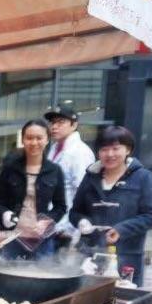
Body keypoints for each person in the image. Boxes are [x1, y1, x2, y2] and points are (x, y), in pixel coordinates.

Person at [70, 126, 152, 285]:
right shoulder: (90, 177)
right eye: (104, 149)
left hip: (127, 256)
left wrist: (121, 229)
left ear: (128, 149)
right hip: (89, 256)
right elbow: (75, 212)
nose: (110, 154)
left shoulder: (143, 177)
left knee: (121, 299)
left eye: (115, 148)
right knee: (86, 300)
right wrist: (81, 221)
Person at [0, 119, 66, 260]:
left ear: (47, 140)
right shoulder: (10, 169)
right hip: (12, 239)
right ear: (23, 140)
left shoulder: (54, 171)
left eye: (39, 138)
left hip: (42, 240)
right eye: (29, 138)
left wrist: (48, 221)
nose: (34, 142)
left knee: (41, 279)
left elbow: (60, 207)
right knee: (8, 278)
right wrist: (4, 214)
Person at [44, 105, 95, 247]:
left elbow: (82, 193)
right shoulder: (54, 148)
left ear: (74, 125)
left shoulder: (80, 152)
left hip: (66, 228)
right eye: (52, 123)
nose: (54, 127)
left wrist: (72, 228)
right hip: (51, 222)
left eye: (60, 122)